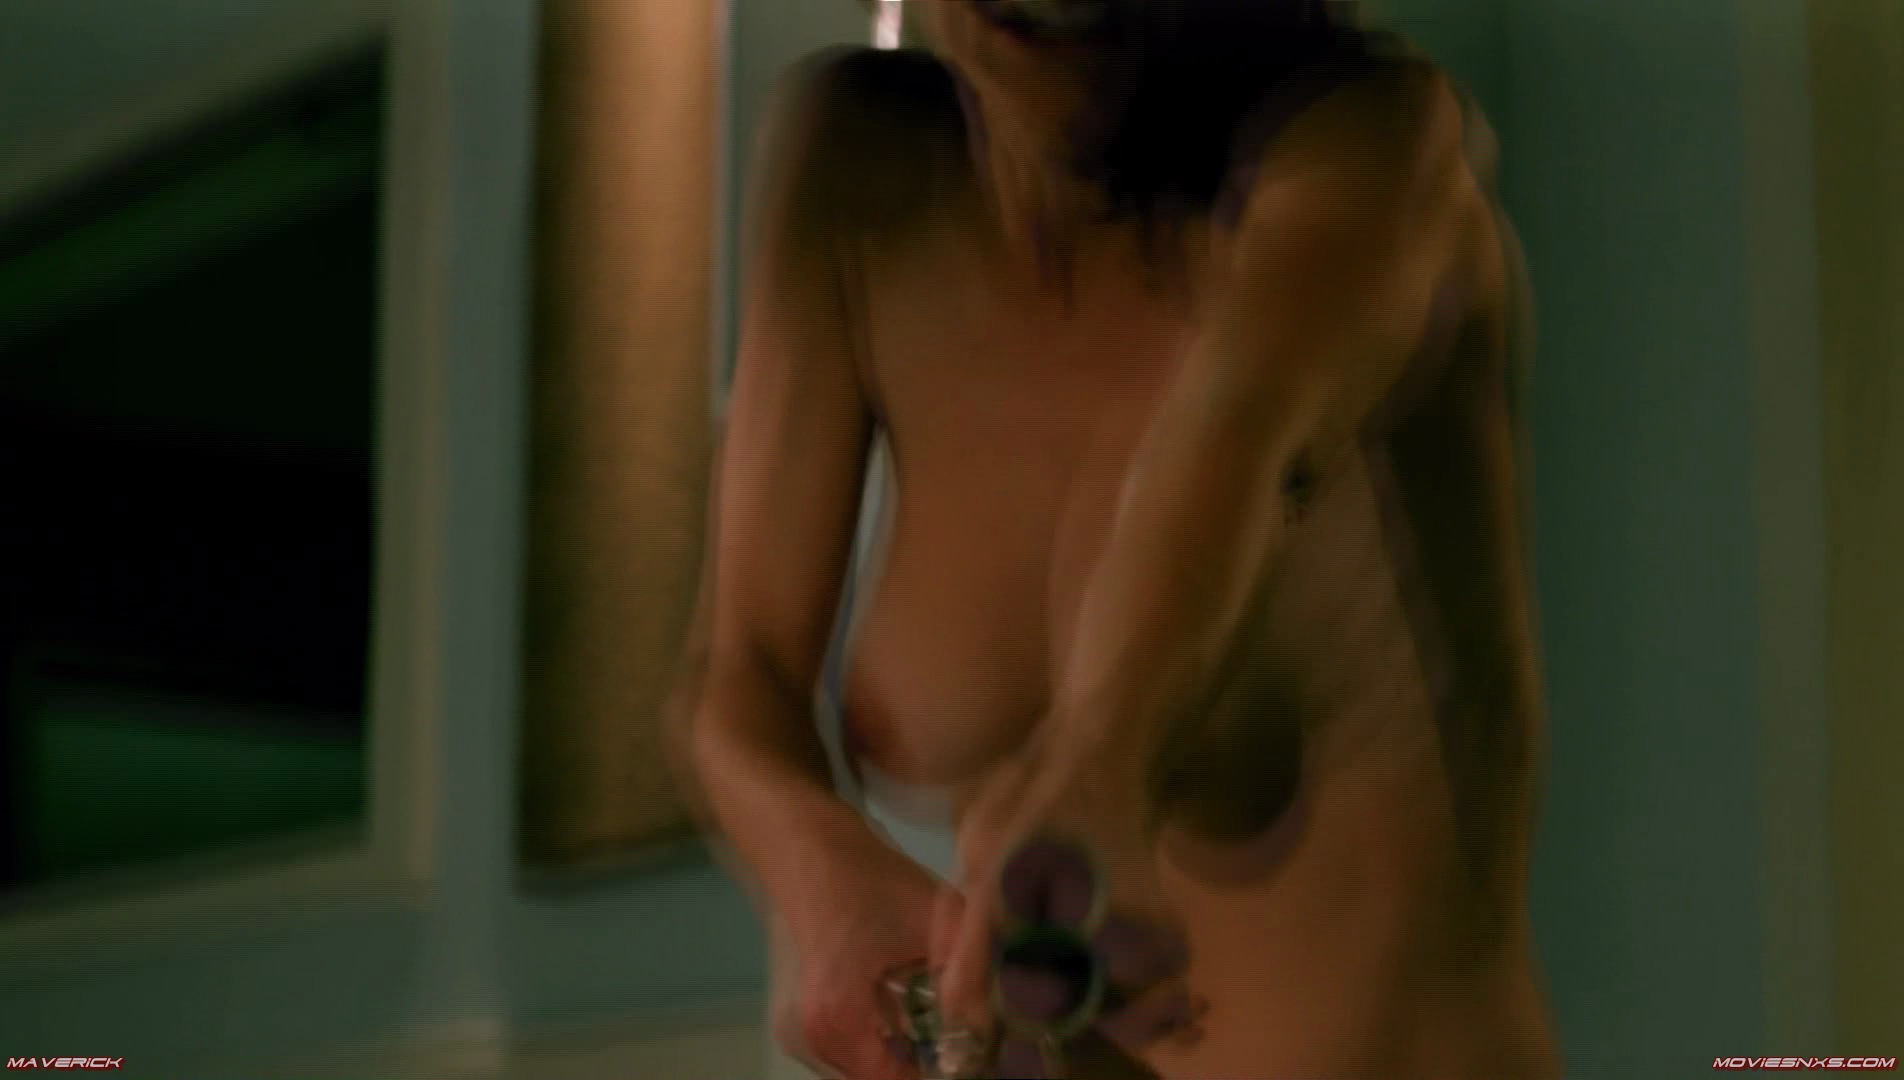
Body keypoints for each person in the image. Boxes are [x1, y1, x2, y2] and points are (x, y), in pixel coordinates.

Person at [677, 0, 1559, 1075]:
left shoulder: (1365, 152)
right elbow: (740, 674)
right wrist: (816, 874)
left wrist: (1098, 767)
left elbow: (1244, 450)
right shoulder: (850, 164)